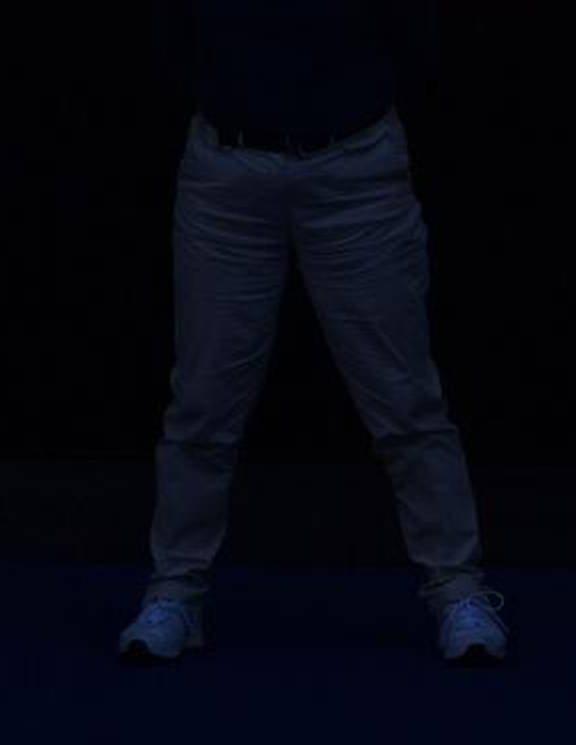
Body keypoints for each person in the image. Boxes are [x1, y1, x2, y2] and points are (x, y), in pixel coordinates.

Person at [120, 0, 507, 664]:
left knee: (407, 402)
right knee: (203, 407)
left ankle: (458, 589)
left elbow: (417, 37)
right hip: (227, 175)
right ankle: (174, 593)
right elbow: (171, 32)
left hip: (356, 172)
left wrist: (338, 103)